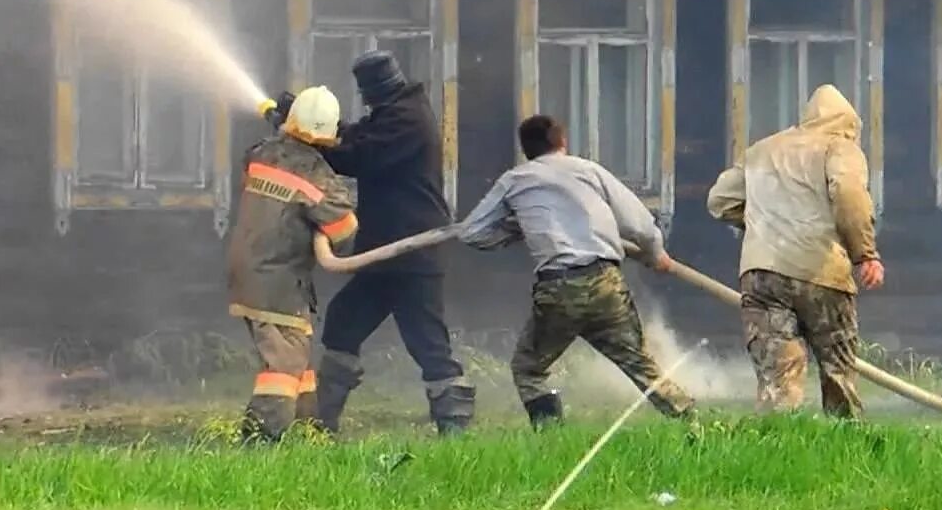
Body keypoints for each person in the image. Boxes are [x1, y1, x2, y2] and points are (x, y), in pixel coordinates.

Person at [458, 114, 696, 427]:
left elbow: (471, 232)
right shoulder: (590, 171)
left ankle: (553, 437)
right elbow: (641, 225)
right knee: (640, 365)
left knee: (529, 369)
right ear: (562, 142)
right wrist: (656, 255)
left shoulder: (515, 180)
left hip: (558, 290)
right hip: (606, 284)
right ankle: (692, 423)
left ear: (525, 150)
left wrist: (516, 230)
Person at [303, 51, 475, 434]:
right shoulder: (395, 113)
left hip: (411, 251)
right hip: (386, 253)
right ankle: (321, 425)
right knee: (344, 321)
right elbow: (355, 135)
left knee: (428, 343)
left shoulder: (407, 120)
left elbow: (358, 155)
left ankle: (455, 428)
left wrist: (312, 140)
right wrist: (304, 121)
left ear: (373, 91)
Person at [708, 84, 883, 418]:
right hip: (820, 271)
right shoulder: (840, 147)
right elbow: (848, 195)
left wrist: (765, 223)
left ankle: (777, 446)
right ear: (848, 124)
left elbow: (720, 200)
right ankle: (847, 444)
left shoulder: (763, 150)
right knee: (837, 371)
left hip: (762, 276)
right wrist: (865, 254)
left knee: (778, 378)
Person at [226, 86, 359, 441]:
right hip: (278, 280)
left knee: (298, 358)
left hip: (249, 270)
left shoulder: (259, 155)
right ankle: (260, 440)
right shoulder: (317, 175)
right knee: (284, 365)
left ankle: (308, 433)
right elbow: (344, 232)